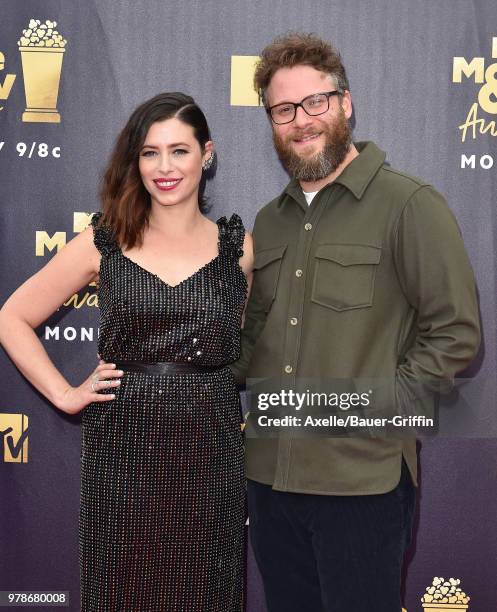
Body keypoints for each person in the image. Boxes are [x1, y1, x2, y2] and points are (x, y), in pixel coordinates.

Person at [230, 34, 480, 612]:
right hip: (269, 483)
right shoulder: (269, 223)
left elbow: (456, 335)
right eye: (284, 109)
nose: (301, 121)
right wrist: (172, 366)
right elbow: (250, 345)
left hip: (362, 485)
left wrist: (372, 413)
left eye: (315, 102)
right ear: (271, 120)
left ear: (346, 103)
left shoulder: (411, 204)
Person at [0, 92, 253, 611]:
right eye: (150, 152)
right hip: (124, 445)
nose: (164, 167)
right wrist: (65, 393)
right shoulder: (105, 241)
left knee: (206, 592)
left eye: (179, 151)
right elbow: (13, 317)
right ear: (135, 162)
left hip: (211, 446)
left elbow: (246, 346)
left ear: (207, 154)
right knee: (123, 590)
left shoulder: (239, 248)